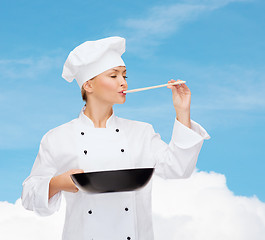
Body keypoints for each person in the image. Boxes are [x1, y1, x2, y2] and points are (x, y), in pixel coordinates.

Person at [21, 36, 210, 240]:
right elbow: (29, 197)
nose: (123, 83)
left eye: (125, 76)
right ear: (88, 85)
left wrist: (182, 111)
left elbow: (178, 168)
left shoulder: (141, 132)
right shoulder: (58, 138)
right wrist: (57, 183)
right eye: (113, 76)